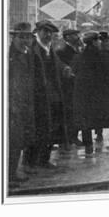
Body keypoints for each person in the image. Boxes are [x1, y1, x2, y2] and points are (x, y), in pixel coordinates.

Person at [72, 31, 109, 154]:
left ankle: (88, 145)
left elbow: (74, 72)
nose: (100, 43)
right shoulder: (102, 56)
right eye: (98, 41)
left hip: (83, 94)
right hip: (102, 92)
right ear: (94, 42)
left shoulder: (79, 56)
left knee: (86, 119)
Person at [27, 20, 67, 168]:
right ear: (37, 32)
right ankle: (30, 162)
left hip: (52, 96)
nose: (48, 35)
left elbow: (57, 64)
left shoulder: (49, 48)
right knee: (37, 129)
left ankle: (44, 160)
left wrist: (65, 69)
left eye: (50, 32)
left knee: (51, 128)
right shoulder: (32, 49)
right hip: (38, 97)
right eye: (45, 32)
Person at [8, 22, 36, 187]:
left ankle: (12, 172)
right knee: (11, 141)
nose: (25, 40)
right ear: (14, 37)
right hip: (12, 106)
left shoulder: (27, 54)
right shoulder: (10, 56)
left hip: (24, 104)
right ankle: (8, 176)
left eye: (28, 37)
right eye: (21, 37)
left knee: (19, 141)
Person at [56, 28, 84, 147]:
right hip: (67, 86)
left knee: (74, 112)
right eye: (74, 35)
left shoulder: (75, 49)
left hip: (75, 85)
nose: (77, 37)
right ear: (67, 37)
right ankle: (67, 138)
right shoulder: (62, 51)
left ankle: (72, 137)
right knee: (68, 113)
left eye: (77, 35)